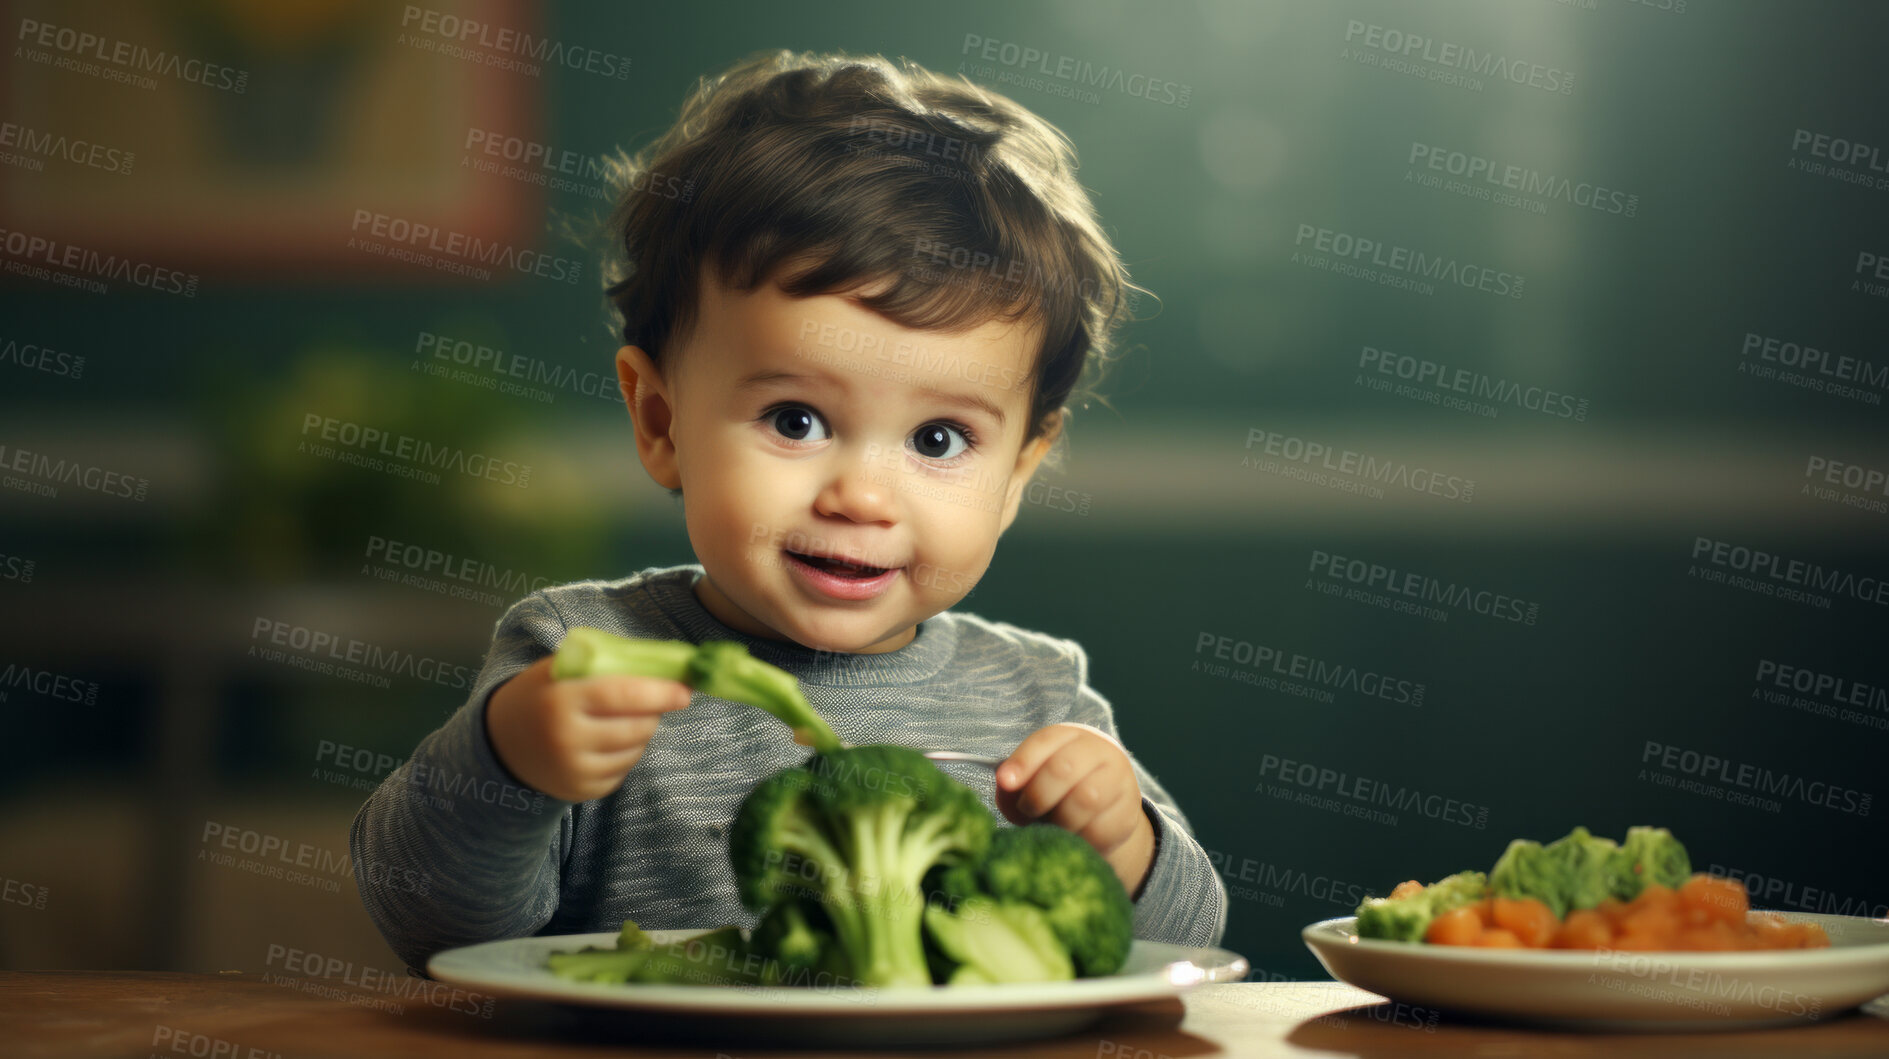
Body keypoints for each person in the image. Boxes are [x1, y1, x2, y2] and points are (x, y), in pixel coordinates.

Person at [351, 48, 1227, 972]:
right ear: (660, 422)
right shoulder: (579, 651)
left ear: (1018, 471)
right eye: (795, 419)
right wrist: (506, 764)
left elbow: (1182, 943)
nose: (860, 495)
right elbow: (429, 922)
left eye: (938, 440)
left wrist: (1124, 847)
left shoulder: (1037, 694)